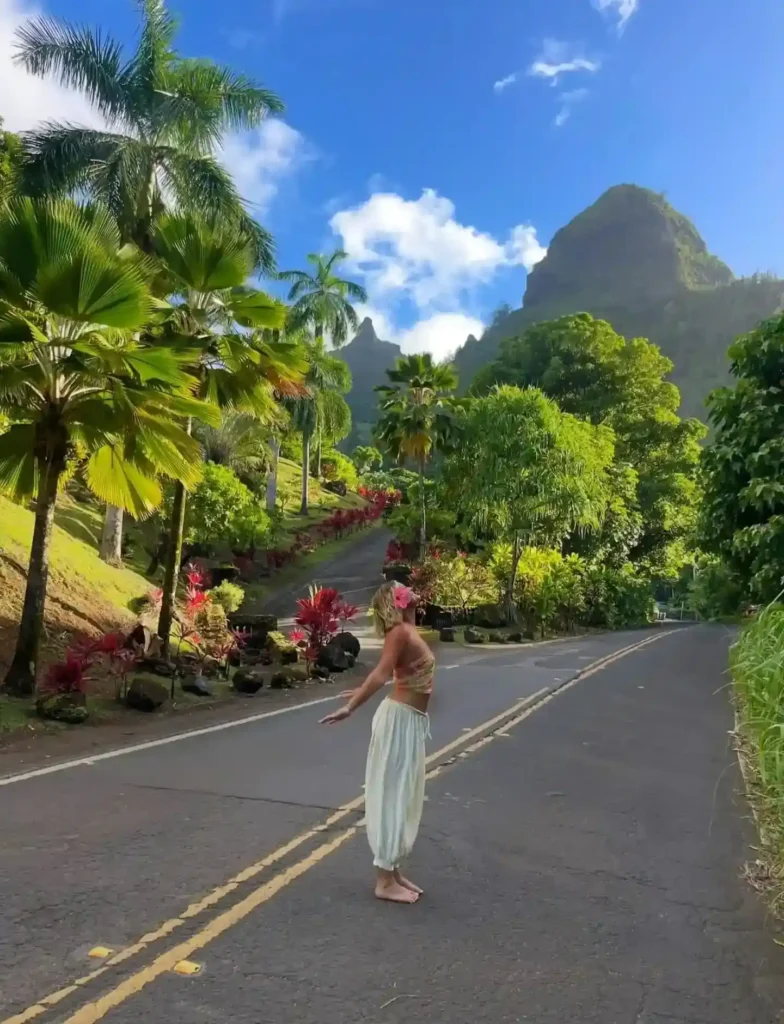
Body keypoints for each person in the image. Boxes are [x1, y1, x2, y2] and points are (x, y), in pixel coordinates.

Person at [320, 581, 435, 904]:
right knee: (392, 794)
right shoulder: (399, 633)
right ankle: (384, 880)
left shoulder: (407, 629)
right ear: (393, 601)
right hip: (398, 722)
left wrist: (410, 606)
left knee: (404, 794)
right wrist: (351, 706)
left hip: (410, 721)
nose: (411, 588)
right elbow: (382, 674)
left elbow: (403, 674)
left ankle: (394, 870)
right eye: (403, 588)